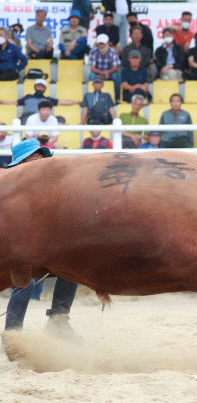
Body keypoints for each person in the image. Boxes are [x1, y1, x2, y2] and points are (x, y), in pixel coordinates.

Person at [3, 139, 79, 336]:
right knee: (24, 279)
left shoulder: (52, 188)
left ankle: (59, 320)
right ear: (21, 164)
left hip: (42, 250)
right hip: (18, 252)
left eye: (41, 157)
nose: (41, 161)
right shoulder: (10, 189)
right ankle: (13, 333)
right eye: (34, 157)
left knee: (71, 270)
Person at [1, 79, 79, 121]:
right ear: (35, 87)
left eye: (42, 87)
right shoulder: (28, 97)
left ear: (45, 89)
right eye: (38, 86)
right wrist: (1, 101)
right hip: (27, 117)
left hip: (43, 118)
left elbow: (63, 102)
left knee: (59, 119)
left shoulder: (48, 99)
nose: (40, 88)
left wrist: (78, 102)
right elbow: (14, 102)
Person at [88, 34, 121, 101]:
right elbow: (92, 68)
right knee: (91, 76)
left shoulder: (113, 51)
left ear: (107, 43)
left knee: (115, 76)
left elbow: (115, 67)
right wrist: (102, 73)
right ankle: (90, 98)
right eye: (100, 44)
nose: (101, 46)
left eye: (103, 44)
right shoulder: (93, 51)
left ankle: (117, 98)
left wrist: (107, 72)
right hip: (98, 73)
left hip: (110, 72)